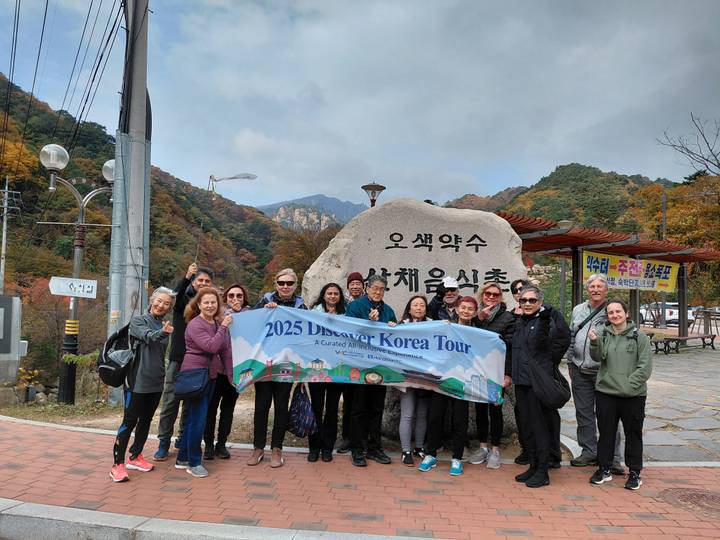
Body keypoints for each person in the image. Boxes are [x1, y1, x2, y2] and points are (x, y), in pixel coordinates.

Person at [110, 287, 176, 482]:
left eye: (166, 303)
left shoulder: (163, 324)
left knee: (146, 420)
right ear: (152, 300)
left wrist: (164, 330)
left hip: (157, 380)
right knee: (129, 422)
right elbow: (149, 336)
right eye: (159, 301)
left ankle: (135, 456)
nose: (161, 305)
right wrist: (163, 332)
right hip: (137, 381)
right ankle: (117, 465)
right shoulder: (138, 321)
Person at [588, 300, 652, 490]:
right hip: (606, 393)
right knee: (606, 433)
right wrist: (594, 342)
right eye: (611, 312)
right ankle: (604, 469)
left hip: (633, 395)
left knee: (633, 434)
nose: (615, 315)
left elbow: (645, 368)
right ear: (607, 316)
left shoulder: (639, 336)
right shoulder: (603, 333)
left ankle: (634, 472)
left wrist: (628, 386)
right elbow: (597, 357)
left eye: (618, 311)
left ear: (626, 313)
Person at [511, 286, 570, 488]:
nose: (527, 304)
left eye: (532, 300)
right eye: (524, 300)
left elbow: (558, 339)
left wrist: (547, 365)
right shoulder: (520, 322)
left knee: (540, 428)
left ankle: (543, 470)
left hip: (537, 384)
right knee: (527, 427)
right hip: (521, 382)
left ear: (540, 302)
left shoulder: (545, 321)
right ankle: (534, 465)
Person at [154, 263, 214, 461]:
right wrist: (186, 276)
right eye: (200, 280)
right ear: (194, 282)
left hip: (199, 363)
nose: (203, 283)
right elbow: (174, 296)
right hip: (178, 359)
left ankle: (182, 439)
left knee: (190, 403)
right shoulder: (183, 301)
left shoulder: (209, 306)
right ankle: (163, 442)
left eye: (207, 281)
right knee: (170, 403)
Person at [249, 268, 307, 468]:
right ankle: (258, 448)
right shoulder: (265, 301)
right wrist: (264, 312)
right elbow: (250, 324)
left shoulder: (302, 307)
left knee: (281, 407)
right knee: (261, 406)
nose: (285, 286)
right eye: (281, 283)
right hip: (264, 364)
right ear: (275, 284)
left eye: (289, 283)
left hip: (287, 364)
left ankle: (277, 448)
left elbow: (308, 335)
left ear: (295, 286)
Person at [568, 274, 623, 475]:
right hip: (579, 370)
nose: (596, 290)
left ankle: (613, 457)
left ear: (606, 290)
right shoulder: (578, 310)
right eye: (592, 286)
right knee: (584, 414)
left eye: (600, 286)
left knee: (609, 415)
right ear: (587, 289)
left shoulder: (612, 311)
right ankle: (589, 452)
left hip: (604, 371)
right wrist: (570, 362)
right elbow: (572, 335)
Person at [176, 287, 232, 478]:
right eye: (206, 302)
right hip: (195, 375)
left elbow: (225, 351)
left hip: (211, 376)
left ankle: (183, 457)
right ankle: (194, 462)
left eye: (213, 302)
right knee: (198, 420)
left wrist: (231, 376)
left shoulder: (215, 323)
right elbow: (211, 346)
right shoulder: (195, 324)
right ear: (198, 305)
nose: (210, 305)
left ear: (218, 304)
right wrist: (224, 327)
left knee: (195, 418)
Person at [419, 296, 478, 476]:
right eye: (463, 307)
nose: (466, 311)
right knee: (435, 417)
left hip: (463, 382)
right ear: (457, 309)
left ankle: (457, 458)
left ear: (475, 312)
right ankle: (430, 455)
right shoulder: (446, 327)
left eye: (470, 309)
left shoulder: (478, 333)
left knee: (459, 420)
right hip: (442, 379)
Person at [345, 274, 397, 467]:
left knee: (376, 409)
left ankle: (375, 448)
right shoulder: (355, 307)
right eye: (375, 288)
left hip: (380, 366)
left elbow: (395, 338)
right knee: (358, 409)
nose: (378, 292)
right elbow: (348, 332)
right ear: (367, 288)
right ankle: (357, 449)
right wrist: (367, 322)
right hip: (359, 365)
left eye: (382, 289)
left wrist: (394, 327)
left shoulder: (388, 311)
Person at [467, 282, 515, 469]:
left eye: (495, 294)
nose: (491, 297)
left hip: (497, 371)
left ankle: (495, 449)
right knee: (479, 410)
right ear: (482, 295)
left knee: (495, 410)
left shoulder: (507, 317)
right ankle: (483, 447)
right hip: (478, 370)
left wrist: (508, 374)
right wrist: (479, 318)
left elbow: (509, 348)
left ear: (500, 297)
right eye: (488, 294)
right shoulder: (476, 315)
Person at [203, 284, 249, 461]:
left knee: (228, 410)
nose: (235, 299)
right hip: (216, 370)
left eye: (239, 296)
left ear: (244, 298)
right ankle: (208, 444)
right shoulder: (217, 313)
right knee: (210, 409)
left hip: (236, 371)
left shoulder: (250, 314)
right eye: (231, 295)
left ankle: (221, 444)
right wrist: (230, 313)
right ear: (225, 298)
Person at [308, 283, 347, 462]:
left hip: (337, 369)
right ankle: (314, 447)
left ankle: (327, 447)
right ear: (323, 295)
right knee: (316, 408)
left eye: (336, 294)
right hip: (315, 369)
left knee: (332, 409)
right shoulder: (312, 313)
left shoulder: (346, 315)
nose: (332, 296)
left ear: (340, 297)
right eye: (329, 293)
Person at [398, 295, 431, 466]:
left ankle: (419, 447)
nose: (419, 308)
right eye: (415, 305)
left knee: (422, 414)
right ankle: (406, 451)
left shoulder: (434, 325)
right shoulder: (401, 326)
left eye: (422, 305)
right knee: (408, 413)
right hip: (406, 376)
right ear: (409, 309)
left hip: (427, 376)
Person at [337, 271, 365, 454]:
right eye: (352, 284)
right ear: (348, 286)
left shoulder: (368, 303)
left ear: (363, 286)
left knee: (362, 402)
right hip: (344, 357)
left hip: (364, 358)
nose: (355, 286)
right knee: (347, 400)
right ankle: (346, 437)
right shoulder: (341, 303)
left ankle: (361, 437)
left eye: (358, 283)